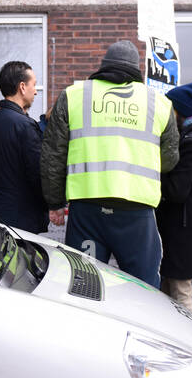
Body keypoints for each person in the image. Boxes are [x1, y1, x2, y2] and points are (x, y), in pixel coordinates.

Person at [41, 40, 179, 287]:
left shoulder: (73, 96)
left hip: (87, 211)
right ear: (136, 69)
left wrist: (55, 203)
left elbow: (53, 155)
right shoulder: (159, 103)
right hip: (137, 212)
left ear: (103, 65)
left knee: (83, 285)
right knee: (143, 289)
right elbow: (169, 160)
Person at [0, 60, 48, 233]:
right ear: (22, 87)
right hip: (21, 220)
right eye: (34, 85)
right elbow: (37, 174)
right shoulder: (26, 126)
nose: (36, 91)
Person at [156, 82, 192, 313]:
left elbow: (177, 191)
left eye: (170, 110)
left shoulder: (191, 144)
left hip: (183, 233)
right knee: (169, 294)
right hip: (183, 231)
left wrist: (156, 173)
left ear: (179, 111)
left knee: (182, 297)